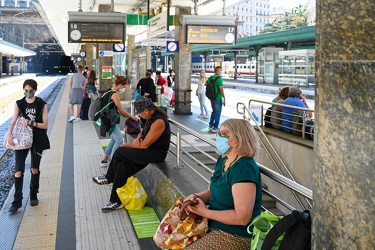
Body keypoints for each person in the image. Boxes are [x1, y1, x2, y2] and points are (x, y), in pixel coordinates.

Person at [183, 119, 262, 249]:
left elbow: (242, 218)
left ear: (238, 138)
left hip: (235, 235)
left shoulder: (244, 168)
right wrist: (195, 197)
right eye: (219, 133)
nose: (218, 137)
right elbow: (210, 192)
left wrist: (205, 212)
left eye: (224, 134)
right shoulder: (223, 159)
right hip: (211, 225)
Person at [92, 97, 171, 212]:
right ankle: (116, 201)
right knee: (122, 167)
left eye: (140, 113)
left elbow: (144, 145)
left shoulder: (159, 121)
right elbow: (143, 133)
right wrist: (138, 139)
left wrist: (128, 145)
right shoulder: (150, 117)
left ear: (146, 111)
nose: (139, 115)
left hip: (155, 153)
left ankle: (109, 178)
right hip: (147, 150)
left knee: (120, 151)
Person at [6, 79, 50, 214]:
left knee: (34, 168)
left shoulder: (41, 104)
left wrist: (30, 123)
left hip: (37, 139)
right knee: (18, 170)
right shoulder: (19, 104)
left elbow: (45, 125)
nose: (28, 93)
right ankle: (17, 201)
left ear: (35, 90)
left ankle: (33, 194)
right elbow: (13, 121)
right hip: (21, 139)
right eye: (25, 90)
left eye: (30, 90)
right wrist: (9, 134)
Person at [99, 75, 138, 168]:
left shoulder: (108, 91)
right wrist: (133, 117)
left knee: (113, 139)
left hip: (105, 120)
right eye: (123, 87)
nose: (123, 89)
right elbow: (122, 111)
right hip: (110, 121)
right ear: (120, 85)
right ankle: (113, 161)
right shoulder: (115, 94)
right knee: (120, 140)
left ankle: (104, 160)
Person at [206, 66, 226, 133]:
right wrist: (224, 97)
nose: (221, 72)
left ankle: (211, 125)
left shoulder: (211, 77)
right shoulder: (219, 79)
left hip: (212, 97)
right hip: (217, 98)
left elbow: (206, 84)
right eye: (221, 70)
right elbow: (221, 89)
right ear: (218, 71)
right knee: (218, 113)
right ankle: (216, 127)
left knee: (214, 111)